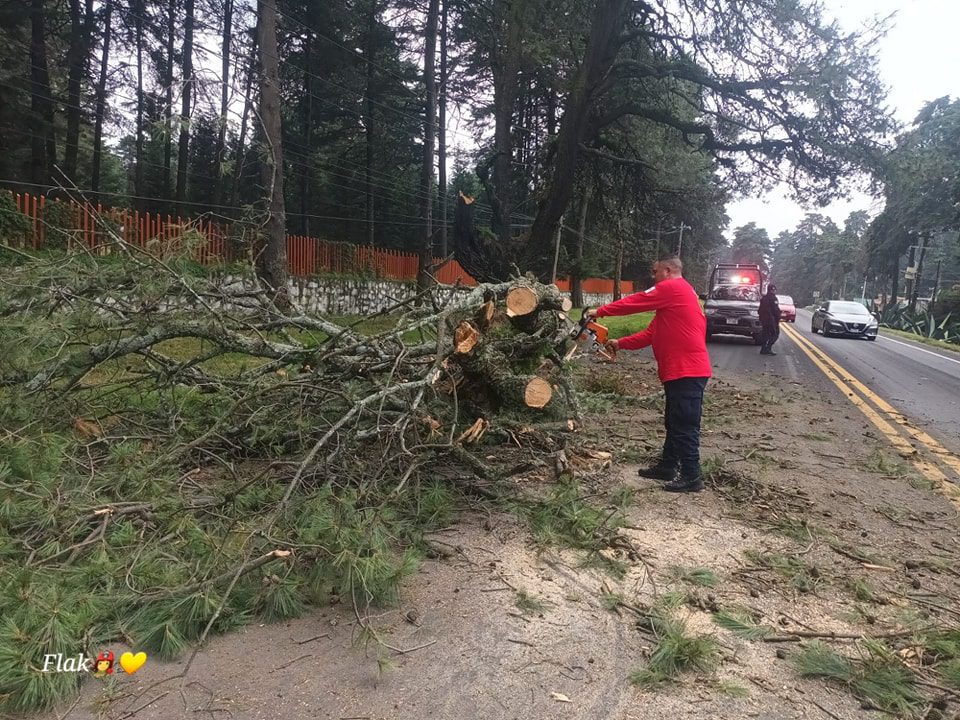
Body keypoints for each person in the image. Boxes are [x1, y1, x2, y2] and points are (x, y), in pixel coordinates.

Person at [584, 255, 711, 493]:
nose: (653, 276)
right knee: (674, 422)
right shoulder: (675, 302)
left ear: (668, 269)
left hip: (688, 370)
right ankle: (668, 466)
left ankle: (692, 476)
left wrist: (599, 311)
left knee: (684, 424)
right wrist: (619, 343)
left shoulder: (673, 287)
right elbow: (650, 334)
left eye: (655, 272)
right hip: (680, 371)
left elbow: (637, 301)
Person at [759, 284, 781, 355]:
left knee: (765, 334)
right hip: (771, 320)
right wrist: (778, 317)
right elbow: (775, 310)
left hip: (764, 320)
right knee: (775, 334)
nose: (774, 291)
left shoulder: (763, 298)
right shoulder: (774, 299)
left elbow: (759, 310)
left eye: (774, 290)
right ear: (770, 290)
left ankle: (763, 349)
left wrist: (761, 318)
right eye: (773, 290)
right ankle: (768, 348)